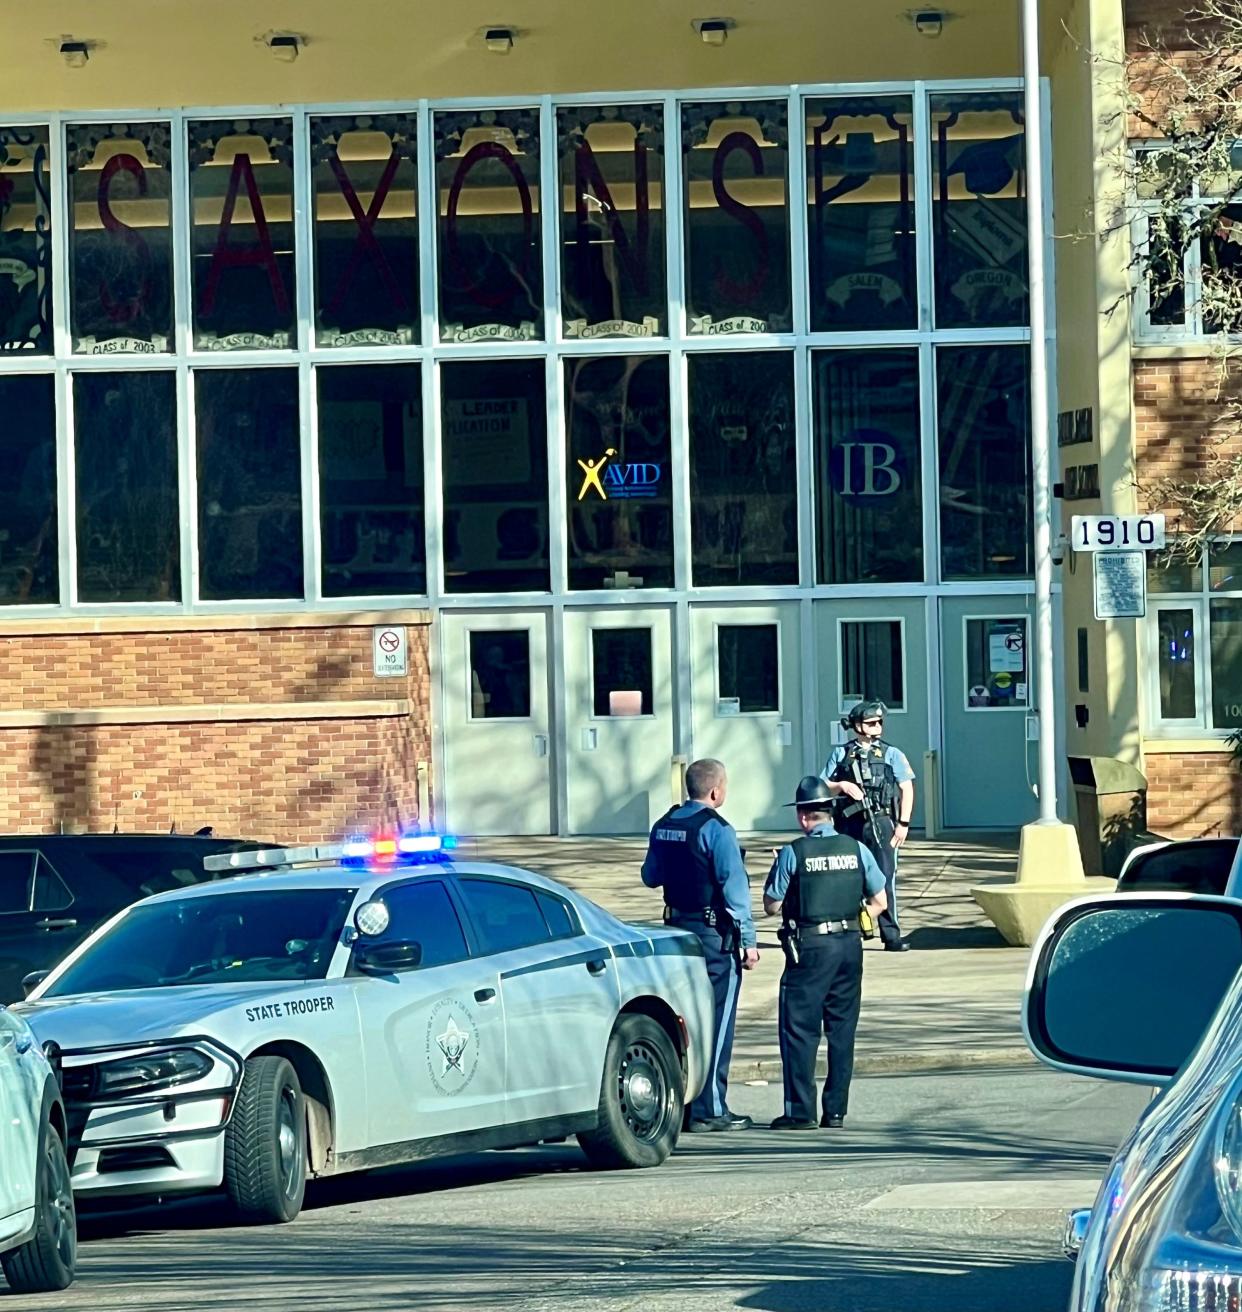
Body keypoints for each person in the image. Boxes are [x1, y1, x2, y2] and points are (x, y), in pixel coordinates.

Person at [641, 757, 759, 1132]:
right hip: (712, 939)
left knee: (684, 1022)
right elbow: (734, 890)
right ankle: (710, 1107)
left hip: (675, 932)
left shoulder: (664, 825)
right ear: (715, 791)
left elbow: (650, 876)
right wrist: (749, 941)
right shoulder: (718, 830)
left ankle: (685, 1102)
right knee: (717, 1022)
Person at [764, 775, 887, 1131]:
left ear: (803, 816)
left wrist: (781, 872)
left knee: (800, 1031)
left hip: (810, 949)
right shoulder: (856, 849)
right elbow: (880, 901)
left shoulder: (793, 852)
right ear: (830, 812)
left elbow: (771, 905)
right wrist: (855, 918)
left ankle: (800, 1112)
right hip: (849, 947)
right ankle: (835, 1111)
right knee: (842, 1030)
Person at [821, 700, 915, 952]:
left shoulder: (891, 753)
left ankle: (891, 935)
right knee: (846, 878)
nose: (877, 727)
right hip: (849, 823)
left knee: (885, 878)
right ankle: (849, 931)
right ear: (857, 726)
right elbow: (821, 784)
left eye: (879, 722)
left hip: (881, 822)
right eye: (871, 723)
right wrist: (841, 785)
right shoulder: (841, 753)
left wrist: (903, 824)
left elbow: (906, 787)